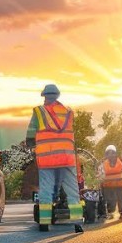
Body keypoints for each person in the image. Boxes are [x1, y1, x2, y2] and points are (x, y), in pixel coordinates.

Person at [26, 84, 83, 233]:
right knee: (72, 190)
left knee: (46, 189)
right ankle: (77, 223)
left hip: (47, 158)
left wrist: (31, 144)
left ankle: (44, 223)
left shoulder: (39, 112)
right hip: (66, 157)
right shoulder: (68, 112)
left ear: (44, 96)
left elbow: (31, 133)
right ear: (57, 96)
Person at [99, 144, 122, 221]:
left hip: (120, 186)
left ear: (115, 153)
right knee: (110, 200)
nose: (111, 155)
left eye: (112, 153)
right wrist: (101, 183)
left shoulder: (121, 163)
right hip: (108, 186)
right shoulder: (103, 165)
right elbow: (100, 175)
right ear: (106, 155)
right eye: (108, 153)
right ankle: (110, 213)